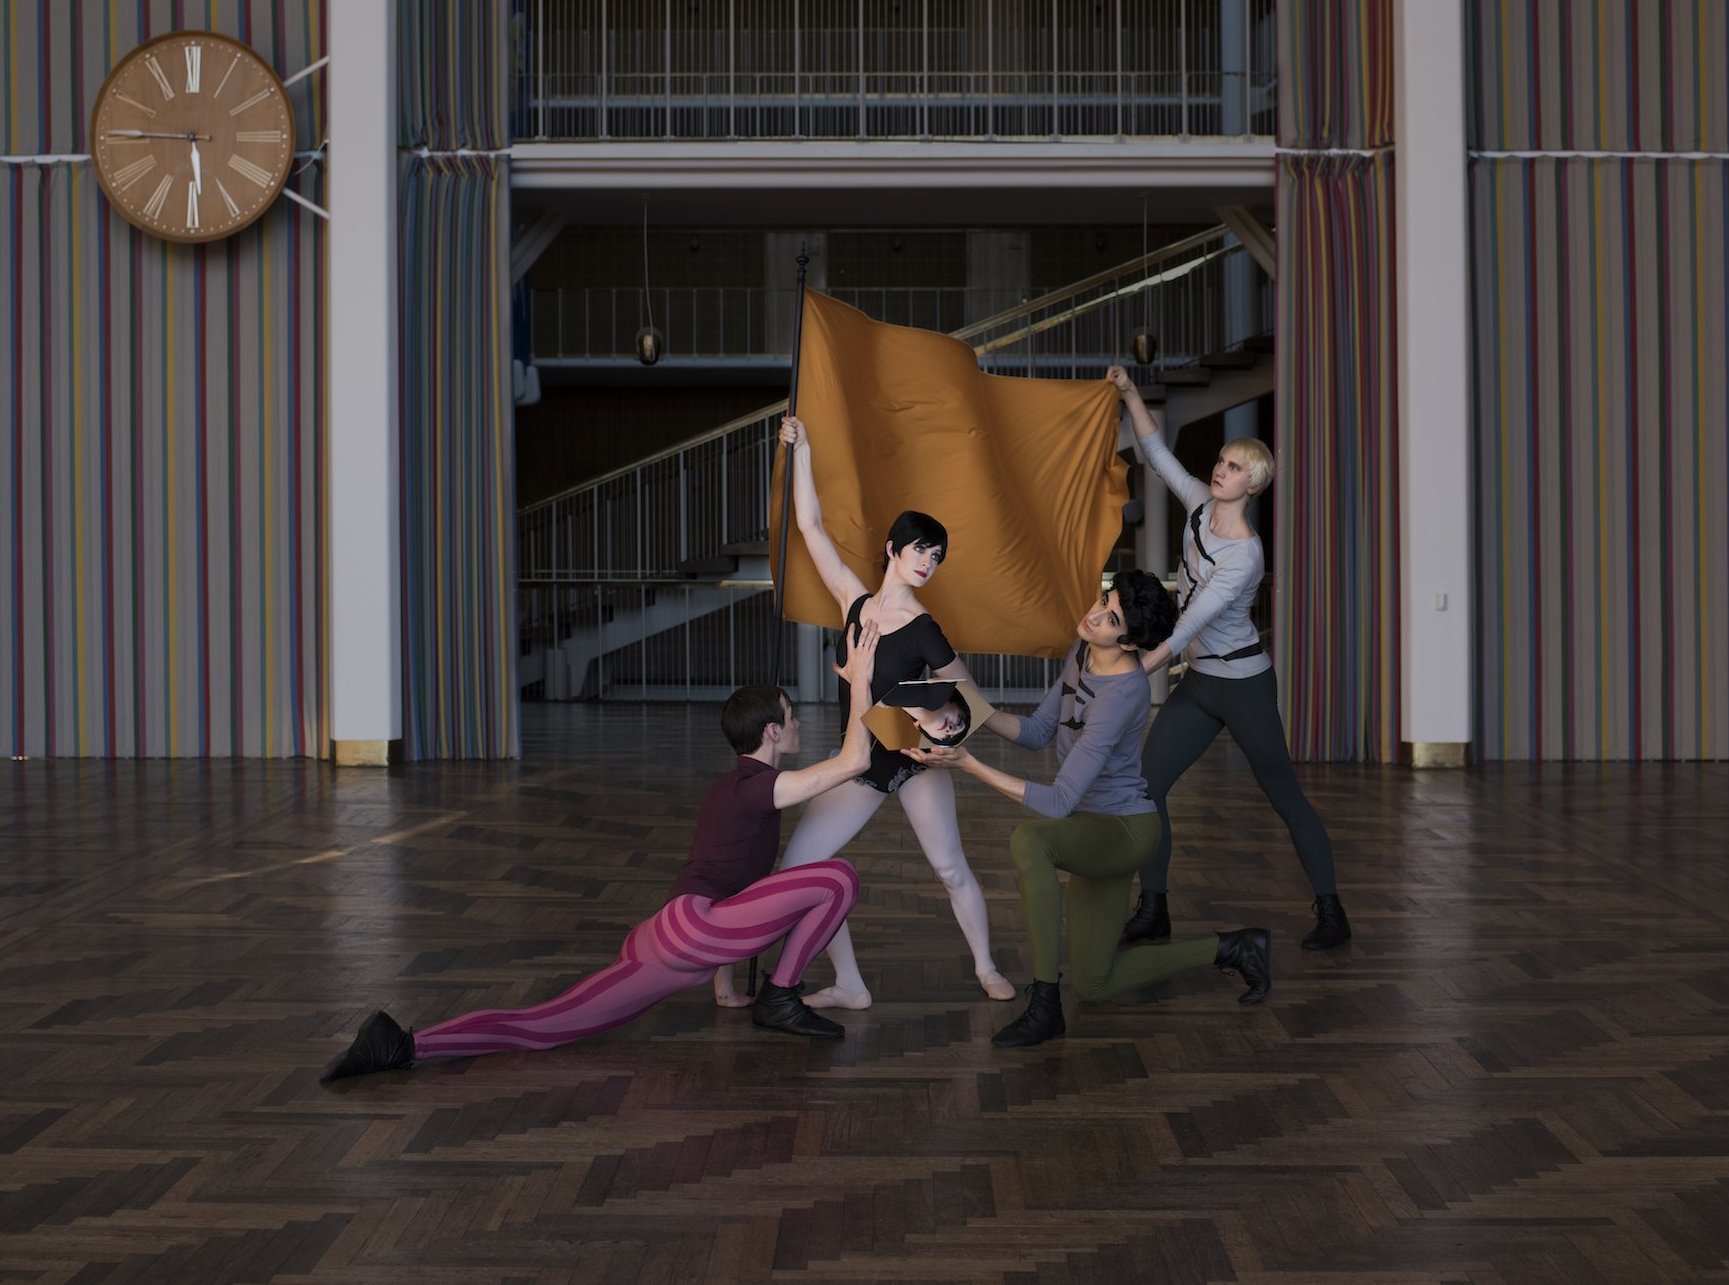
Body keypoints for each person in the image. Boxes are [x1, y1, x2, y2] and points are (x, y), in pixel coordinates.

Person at [319, 621, 885, 1082]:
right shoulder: (759, 787)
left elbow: (723, 879)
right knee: (836, 877)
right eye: (791, 715)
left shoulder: (729, 787)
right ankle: (781, 996)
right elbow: (855, 762)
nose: (799, 722)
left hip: (663, 937)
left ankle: (401, 1044)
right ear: (771, 732)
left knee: (545, 1025)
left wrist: (724, 986)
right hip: (694, 932)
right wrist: (860, 681)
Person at [911, 572, 1271, 1048]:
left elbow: (1059, 802)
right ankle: (1234, 948)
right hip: (1092, 828)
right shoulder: (1082, 651)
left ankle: (1045, 1004)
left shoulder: (1122, 694)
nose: (1096, 615)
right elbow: (1038, 732)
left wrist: (969, 764)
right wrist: (965, 707)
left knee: (1031, 841)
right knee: (1095, 984)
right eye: (1104, 600)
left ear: (1129, 642)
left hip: (1124, 832)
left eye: (1111, 619)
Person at [742, 415, 1013, 1012]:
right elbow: (810, 527)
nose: (928, 562)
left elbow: (968, 701)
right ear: (892, 548)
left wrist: (924, 715)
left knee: (950, 868)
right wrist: (801, 450)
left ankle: (987, 966)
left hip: (913, 762)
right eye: (920, 549)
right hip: (858, 761)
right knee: (803, 868)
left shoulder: (924, 627)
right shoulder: (854, 601)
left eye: (937, 557)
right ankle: (850, 984)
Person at [1105, 365, 1350, 952]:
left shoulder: (1245, 555)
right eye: (1221, 460)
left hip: (1244, 686)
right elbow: (1157, 453)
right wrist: (1131, 393)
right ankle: (1155, 908)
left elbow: (1192, 620)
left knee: (1283, 794)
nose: (1221, 469)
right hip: (1200, 684)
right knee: (1147, 787)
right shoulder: (1197, 506)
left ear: (1254, 484)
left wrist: (1130, 672)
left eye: (1235, 466)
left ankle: (1332, 911)